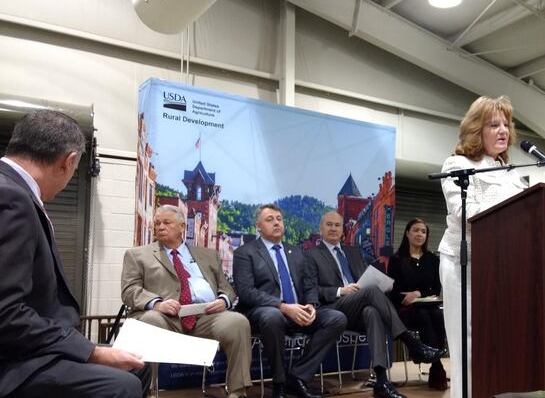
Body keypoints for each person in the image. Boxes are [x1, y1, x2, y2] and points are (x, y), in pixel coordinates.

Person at [0, 110, 149, 398]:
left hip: (27, 346)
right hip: (14, 360)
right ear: (68, 162)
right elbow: (5, 314)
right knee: (122, 384)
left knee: (137, 364)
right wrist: (90, 350)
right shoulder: (12, 198)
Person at [438, 95, 527, 397]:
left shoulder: (509, 170)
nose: (503, 130)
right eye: (494, 125)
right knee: (467, 345)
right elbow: (464, 213)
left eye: (506, 124)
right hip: (462, 263)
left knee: (497, 344)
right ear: (477, 130)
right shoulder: (458, 164)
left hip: (501, 266)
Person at [305, 211, 446, 398]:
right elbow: (310, 288)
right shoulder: (311, 254)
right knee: (372, 293)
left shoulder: (353, 252)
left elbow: (367, 279)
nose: (333, 228)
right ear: (321, 228)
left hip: (359, 306)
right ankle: (413, 344)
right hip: (334, 307)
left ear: (343, 230)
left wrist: (383, 284)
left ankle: (381, 381)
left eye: (337, 225)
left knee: (372, 311)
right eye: (329, 225)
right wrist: (340, 290)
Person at [121, 205, 252, 398]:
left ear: (182, 227)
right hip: (165, 316)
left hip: (204, 316)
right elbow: (129, 290)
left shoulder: (208, 255)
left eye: (167, 223)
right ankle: (145, 392)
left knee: (238, 322)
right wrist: (157, 303)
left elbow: (227, 289)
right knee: (150, 322)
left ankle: (237, 392)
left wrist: (224, 300)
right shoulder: (137, 255)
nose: (160, 227)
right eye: (157, 223)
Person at [233, 204, 346, 398]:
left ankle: (298, 375)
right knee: (272, 316)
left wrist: (311, 306)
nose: (276, 222)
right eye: (270, 220)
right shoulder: (246, 252)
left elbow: (309, 285)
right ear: (258, 226)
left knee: (337, 318)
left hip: (298, 311)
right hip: (266, 312)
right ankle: (279, 383)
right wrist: (283, 307)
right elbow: (245, 292)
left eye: (279, 219)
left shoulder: (297, 252)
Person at [386, 218, 447, 390]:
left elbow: (436, 289)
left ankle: (431, 359)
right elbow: (393, 292)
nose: (420, 234)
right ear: (407, 233)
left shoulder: (432, 259)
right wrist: (407, 298)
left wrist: (417, 294)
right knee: (423, 314)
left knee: (436, 314)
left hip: (428, 307)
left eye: (423, 231)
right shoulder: (397, 260)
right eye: (416, 230)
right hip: (406, 310)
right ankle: (437, 366)